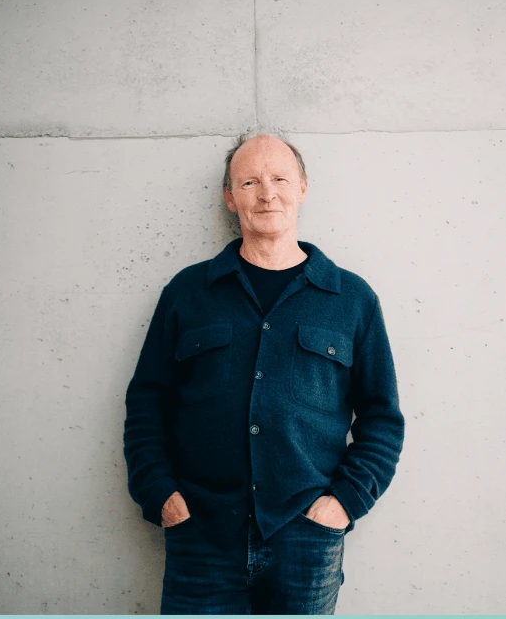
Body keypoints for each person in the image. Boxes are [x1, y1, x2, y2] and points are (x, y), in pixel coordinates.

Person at [123, 129, 405, 614]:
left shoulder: (352, 299)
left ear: (303, 188)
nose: (267, 193)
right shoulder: (188, 293)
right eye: (250, 182)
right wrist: (161, 495)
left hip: (307, 539)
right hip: (201, 534)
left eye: (280, 179)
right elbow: (147, 402)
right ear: (230, 197)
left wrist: (342, 504)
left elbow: (382, 418)